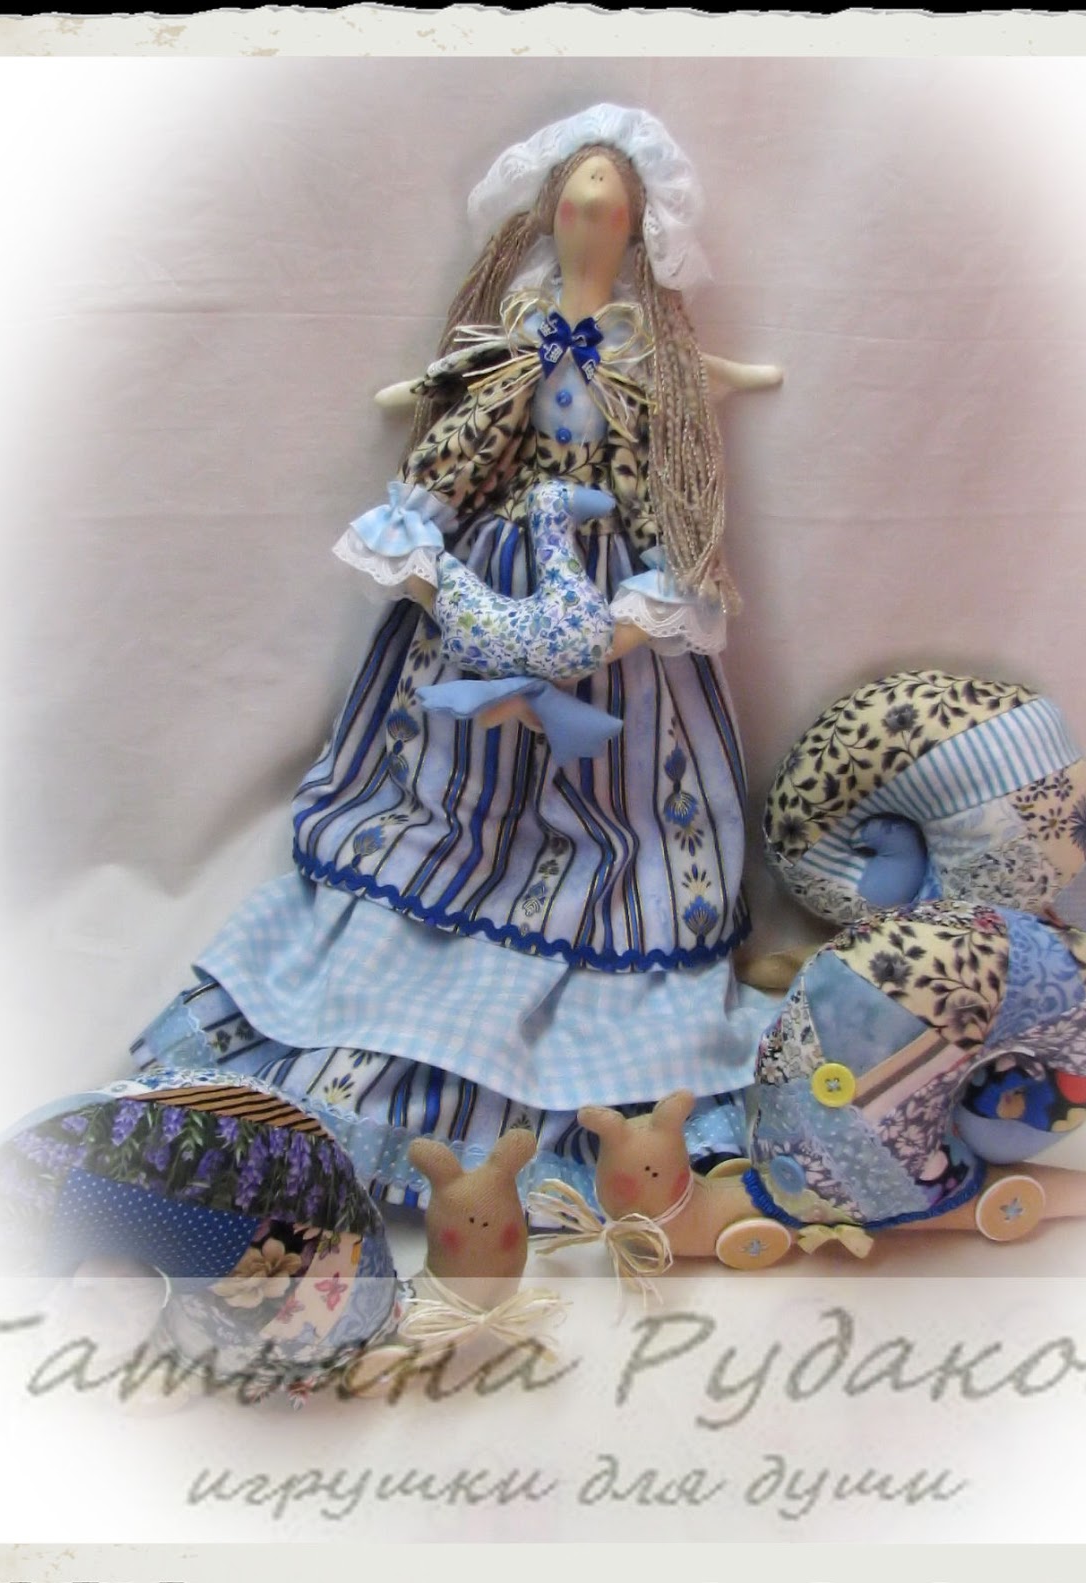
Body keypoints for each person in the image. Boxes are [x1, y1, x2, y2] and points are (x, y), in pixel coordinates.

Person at [124, 104, 785, 1207]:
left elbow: (669, 472)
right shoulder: (512, 340)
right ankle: (432, 914)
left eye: (607, 211)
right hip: (489, 575)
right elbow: (460, 429)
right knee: (445, 772)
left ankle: (588, 960)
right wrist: (423, 497)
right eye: (573, 207)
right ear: (549, 216)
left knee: (616, 797)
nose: (587, 223)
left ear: (636, 227)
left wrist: (636, 610)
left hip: (605, 601)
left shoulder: (647, 360)